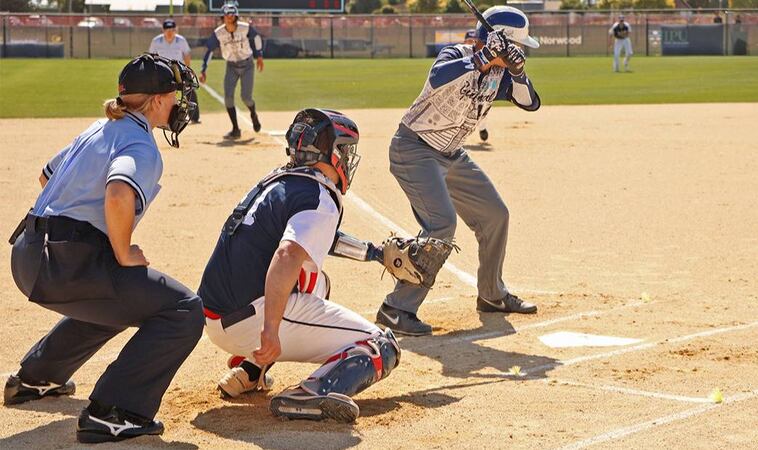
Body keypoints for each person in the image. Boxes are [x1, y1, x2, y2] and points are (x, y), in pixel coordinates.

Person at [4, 54, 203, 443]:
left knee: (116, 299)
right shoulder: (140, 143)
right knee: (183, 309)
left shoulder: (99, 128)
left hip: (27, 254)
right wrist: (123, 250)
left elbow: (46, 176)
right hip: (66, 266)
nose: (179, 104)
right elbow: (117, 193)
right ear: (158, 100)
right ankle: (115, 411)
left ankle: (36, 378)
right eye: (174, 95)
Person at [198, 108, 400, 423]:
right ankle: (310, 394)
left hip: (216, 314)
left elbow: (313, 238)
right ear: (332, 154)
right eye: (345, 150)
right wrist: (270, 331)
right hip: (250, 321)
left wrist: (376, 254)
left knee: (318, 282)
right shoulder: (319, 195)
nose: (348, 158)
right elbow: (287, 254)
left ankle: (251, 369)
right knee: (379, 345)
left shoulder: (282, 182)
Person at [375, 5, 541, 337]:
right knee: (441, 225)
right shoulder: (458, 54)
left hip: (451, 155)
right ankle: (397, 309)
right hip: (414, 149)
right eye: (518, 45)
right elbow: (438, 77)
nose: (521, 50)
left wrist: (519, 72)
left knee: (495, 214)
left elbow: (530, 103)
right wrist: (483, 57)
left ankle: (492, 296)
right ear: (501, 40)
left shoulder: (501, 74)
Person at [200, 3, 264, 140]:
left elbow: (257, 37)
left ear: (236, 16)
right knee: (228, 98)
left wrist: (259, 55)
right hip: (231, 66)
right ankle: (235, 129)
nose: (229, 18)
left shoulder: (244, 27)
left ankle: (253, 114)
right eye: (226, 15)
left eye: (232, 15)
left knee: (246, 97)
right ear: (222, 17)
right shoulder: (218, 32)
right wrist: (203, 69)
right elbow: (209, 50)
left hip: (247, 65)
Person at [149, 18, 200, 123]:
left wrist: (188, 69)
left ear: (175, 30)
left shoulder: (181, 40)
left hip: (179, 71)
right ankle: (155, 116)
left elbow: (186, 55)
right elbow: (151, 56)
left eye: (172, 29)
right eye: (167, 29)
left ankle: (194, 117)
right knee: (157, 94)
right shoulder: (156, 41)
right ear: (163, 30)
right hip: (162, 72)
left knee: (189, 90)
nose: (169, 32)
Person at [463, 29, 490, 143]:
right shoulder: (461, 53)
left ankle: (482, 127)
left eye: (473, 40)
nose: (471, 42)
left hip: (481, 85)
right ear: (464, 42)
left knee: (481, 107)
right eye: (469, 40)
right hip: (465, 85)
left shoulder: (483, 54)